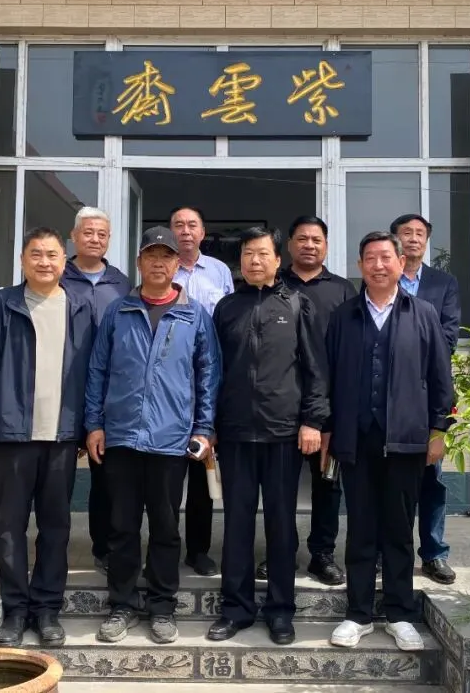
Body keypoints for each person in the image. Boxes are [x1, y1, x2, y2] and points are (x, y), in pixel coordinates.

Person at [85, 226, 221, 645]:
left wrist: (204, 428)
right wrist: (94, 424)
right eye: (151, 256)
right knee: (122, 526)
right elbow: (97, 370)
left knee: (165, 527)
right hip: (122, 436)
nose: (158, 263)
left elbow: (208, 376)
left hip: (171, 438)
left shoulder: (194, 316)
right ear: (139, 262)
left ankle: (162, 606)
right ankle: (122, 605)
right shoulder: (119, 312)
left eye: (166, 256)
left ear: (177, 264)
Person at [0, 227, 97, 649]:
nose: (44, 262)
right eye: (36, 254)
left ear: (64, 261)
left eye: (52, 255)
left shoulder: (80, 306)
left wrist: (87, 427)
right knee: (10, 527)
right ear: (22, 260)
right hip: (12, 436)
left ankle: (47, 608)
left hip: (61, 437)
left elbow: (92, 372)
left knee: (56, 526)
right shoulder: (1, 304)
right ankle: (16, 609)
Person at [324, 232, 453, 652]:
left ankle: (400, 613)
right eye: (370, 259)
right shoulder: (343, 316)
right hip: (357, 439)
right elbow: (327, 377)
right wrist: (326, 429)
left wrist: (438, 431)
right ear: (359, 266)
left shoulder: (423, 314)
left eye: (385, 258)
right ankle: (358, 614)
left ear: (401, 263)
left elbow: (441, 378)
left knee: (398, 530)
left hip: (407, 440)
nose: (378, 266)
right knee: (360, 528)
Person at [206, 227, 329, 647]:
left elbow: (316, 370)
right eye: (247, 254)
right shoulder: (226, 308)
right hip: (236, 433)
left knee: (281, 525)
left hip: (283, 434)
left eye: (262, 253)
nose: (254, 261)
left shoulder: (297, 304)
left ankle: (280, 610)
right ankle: (236, 609)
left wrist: (313, 421)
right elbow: (212, 371)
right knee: (237, 525)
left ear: (278, 260)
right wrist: (210, 425)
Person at [254, 215, 355, 587]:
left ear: (326, 245)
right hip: (280, 406)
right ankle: (280, 552)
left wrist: (336, 410)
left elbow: (350, 352)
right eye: (302, 239)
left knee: (328, 483)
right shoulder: (274, 286)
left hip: (328, 406)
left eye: (316, 239)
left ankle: (322, 554)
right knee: (279, 487)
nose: (309, 245)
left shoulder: (343, 290)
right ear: (289, 246)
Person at [390, 213, 461, 586]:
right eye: (406, 233)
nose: (413, 238)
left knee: (432, 477)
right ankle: (389, 551)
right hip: (389, 395)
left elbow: (448, 336)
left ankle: (434, 553)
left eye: (419, 233)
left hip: (431, 391)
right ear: (395, 239)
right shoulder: (381, 279)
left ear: (427, 240)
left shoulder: (443, 283)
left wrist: (408, 354)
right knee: (389, 479)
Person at [61, 206, 132, 575]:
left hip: (105, 394)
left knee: (105, 478)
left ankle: (103, 547)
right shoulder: (57, 276)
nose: (94, 239)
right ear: (74, 236)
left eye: (102, 234)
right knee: (56, 477)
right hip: (62, 391)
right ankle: (52, 548)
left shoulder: (121, 283)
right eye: (88, 232)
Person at [168, 205, 234, 577]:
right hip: (170, 381)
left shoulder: (220, 271)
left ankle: (198, 550)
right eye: (178, 225)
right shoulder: (162, 268)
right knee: (165, 477)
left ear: (203, 232)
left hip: (208, 378)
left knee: (201, 469)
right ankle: (164, 547)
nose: (185, 231)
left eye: (192, 224)